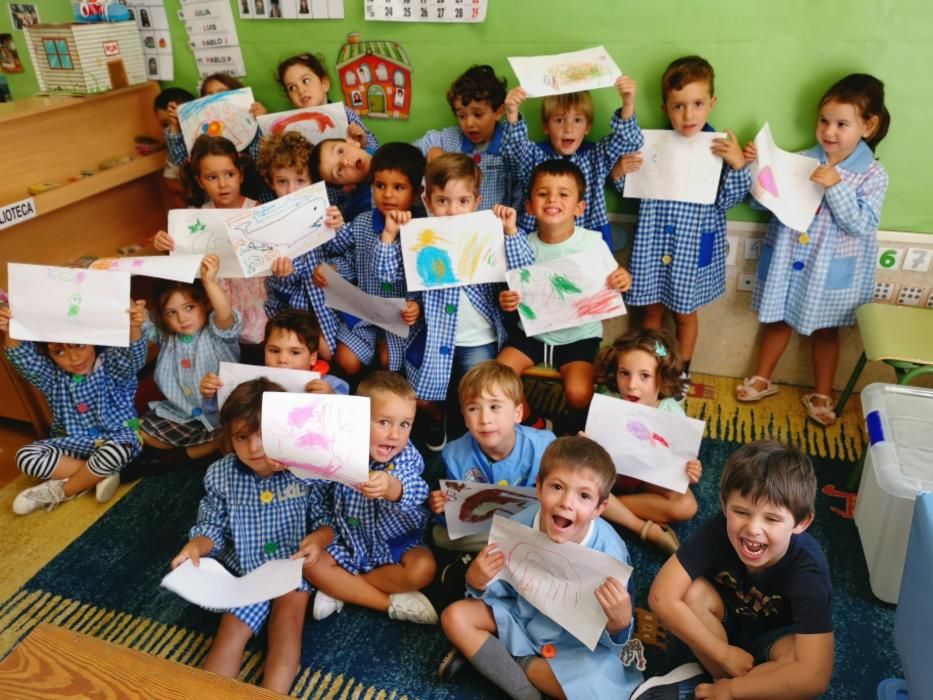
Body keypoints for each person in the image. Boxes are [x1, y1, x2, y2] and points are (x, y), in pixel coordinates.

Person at [735, 74, 890, 427]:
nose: (829, 131)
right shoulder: (801, 159)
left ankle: (822, 391)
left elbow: (861, 224)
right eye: (824, 121)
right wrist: (755, 170)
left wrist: (836, 186)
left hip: (829, 272)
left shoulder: (872, 175)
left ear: (868, 125)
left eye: (841, 124)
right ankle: (762, 376)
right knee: (777, 320)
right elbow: (766, 204)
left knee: (826, 331)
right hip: (789, 262)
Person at [439, 436, 643, 699]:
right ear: (538, 487)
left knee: (600, 689)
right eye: (557, 487)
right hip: (521, 617)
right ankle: (525, 691)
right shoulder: (518, 523)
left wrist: (620, 624)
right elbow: (498, 590)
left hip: (573, 644)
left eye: (583, 496)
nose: (567, 503)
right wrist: (476, 582)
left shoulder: (610, 554)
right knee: (455, 618)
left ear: (599, 508)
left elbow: (613, 638)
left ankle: (506, 661)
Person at [635, 440, 832, 699]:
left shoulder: (809, 569)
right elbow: (661, 596)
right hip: (724, 627)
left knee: (799, 658)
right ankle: (717, 679)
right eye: (741, 512)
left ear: (801, 522)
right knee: (689, 593)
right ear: (724, 503)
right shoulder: (717, 530)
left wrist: (732, 690)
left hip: (776, 643)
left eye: (771, 518)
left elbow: (815, 678)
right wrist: (722, 653)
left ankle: (718, 689)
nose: (753, 528)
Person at [170, 378, 326, 693]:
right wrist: (195, 547)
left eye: (264, 437)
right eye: (242, 437)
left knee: (285, 628)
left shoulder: (305, 469)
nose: (254, 448)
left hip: (291, 567)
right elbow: (211, 526)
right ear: (230, 438)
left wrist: (319, 539)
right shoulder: (222, 474)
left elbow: (327, 519)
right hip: (244, 571)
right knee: (230, 633)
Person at [374, 153, 531, 451]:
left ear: (476, 201)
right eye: (443, 201)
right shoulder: (419, 234)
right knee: (424, 396)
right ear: (428, 201)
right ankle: (436, 421)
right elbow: (387, 275)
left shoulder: (490, 231)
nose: (452, 210)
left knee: (478, 395)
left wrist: (510, 229)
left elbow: (524, 268)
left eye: (462, 201)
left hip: (479, 339)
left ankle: (470, 446)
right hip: (435, 338)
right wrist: (390, 234)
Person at [611, 56, 750, 391]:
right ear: (666, 107)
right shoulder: (652, 144)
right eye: (679, 106)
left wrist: (738, 165)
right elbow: (628, 188)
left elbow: (729, 200)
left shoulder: (718, 147)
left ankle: (682, 371)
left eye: (698, 104)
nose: (689, 115)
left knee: (686, 316)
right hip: (653, 246)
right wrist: (618, 173)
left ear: (711, 104)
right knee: (651, 314)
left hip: (690, 251)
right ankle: (651, 371)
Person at [499, 159, 632, 434]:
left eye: (563, 194)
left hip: (578, 336)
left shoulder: (592, 243)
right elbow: (510, 290)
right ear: (529, 206)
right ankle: (532, 421)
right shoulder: (520, 245)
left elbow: (616, 276)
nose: (552, 200)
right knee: (499, 376)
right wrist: (507, 300)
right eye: (543, 193)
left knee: (579, 393)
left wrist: (623, 278)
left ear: (579, 207)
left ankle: (574, 428)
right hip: (532, 334)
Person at [300, 371, 439, 625]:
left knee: (423, 569)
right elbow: (317, 496)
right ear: (357, 420)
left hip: (397, 541)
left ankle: (343, 588)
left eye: (405, 424)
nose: (395, 435)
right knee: (310, 564)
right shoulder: (337, 452)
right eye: (384, 422)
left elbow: (417, 489)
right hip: (349, 540)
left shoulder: (406, 455)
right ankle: (389, 603)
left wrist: (390, 486)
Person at [427, 361, 556, 606]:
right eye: (473, 409)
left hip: (532, 524)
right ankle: (508, 562)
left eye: (495, 407)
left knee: (554, 528)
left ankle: (481, 565)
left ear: (518, 413)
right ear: (464, 417)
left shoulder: (545, 445)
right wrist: (444, 508)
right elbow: (457, 519)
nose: (485, 419)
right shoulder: (454, 453)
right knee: (439, 534)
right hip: (488, 530)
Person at [0, 301, 148, 514]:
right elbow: (22, 358)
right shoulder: (52, 378)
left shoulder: (112, 366)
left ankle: (63, 490)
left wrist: (133, 326)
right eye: (59, 352)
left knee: (119, 449)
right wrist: (10, 329)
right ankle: (99, 474)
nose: (74, 358)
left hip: (118, 439)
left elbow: (133, 355)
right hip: (73, 445)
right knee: (25, 456)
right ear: (49, 356)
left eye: (79, 345)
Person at [312, 142, 425, 380]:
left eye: (399, 187)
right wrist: (334, 269)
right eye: (380, 185)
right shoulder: (363, 222)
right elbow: (349, 256)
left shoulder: (420, 232)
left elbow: (422, 279)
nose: (388, 194)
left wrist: (417, 306)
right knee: (346, 360)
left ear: (416, 193)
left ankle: (383, 396)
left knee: (388, 359)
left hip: (400, 318)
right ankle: (358, 393)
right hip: (363, 311)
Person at [501, 76, 642, 251]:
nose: (568, 129)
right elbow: (512, 151)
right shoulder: (534, 155)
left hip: (588, 239)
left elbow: (629, 141)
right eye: (559, 120)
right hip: (538, 240)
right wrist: (512, 112)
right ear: (546, 126)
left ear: (588, 126)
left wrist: (628, 103)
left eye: (577, 120)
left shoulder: (595, 156)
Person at [153, 135, 268, 348]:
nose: (223, 184)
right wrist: (166, 244)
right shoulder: (195, 219)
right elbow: (183, 262)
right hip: (221, 311)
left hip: (261, 304)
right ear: (200, 181)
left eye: (229, 174)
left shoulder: (260, 211)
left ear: (241, 175)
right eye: (212, 177)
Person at [593, 328, 702, 553]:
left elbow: (680, 467)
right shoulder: (607, 400)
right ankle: (640, 525)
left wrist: (691, 470)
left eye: (644, 376)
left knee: (687, 505)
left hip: (645, 484)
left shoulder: (672, 413)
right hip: (608, 479)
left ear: (662, 380)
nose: (632, 385)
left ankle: (606, 509)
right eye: (624, 373)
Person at [137, 254, 241, 468]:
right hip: (182, 415)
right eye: (171, 313)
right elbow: (144, 320)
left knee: (233, 434)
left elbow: (225, 314)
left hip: (220, 417)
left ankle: (178, 458)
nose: (182, 318)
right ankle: (190, 452)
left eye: (189, 308)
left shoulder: (216, 332)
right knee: (136, 427)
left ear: (204, 304)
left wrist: (208, 282)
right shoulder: (167, 336)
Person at [277, 52, 380, 222]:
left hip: (354, 193)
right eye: (292, 88)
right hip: (321, 203)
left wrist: (364, 140)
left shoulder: (345, 115)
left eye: (305, 81)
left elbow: (377, 151)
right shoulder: (289, 128)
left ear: (324, 84)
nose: (300, 90)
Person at [413, 64, 521, 209]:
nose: (469, 123)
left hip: (493, 227)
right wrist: (433, 149)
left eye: (478, 114)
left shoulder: (509, 144)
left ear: (498, 111)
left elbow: (520, 185)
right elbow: (416, 147)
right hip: (452, 222)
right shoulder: (452, 139)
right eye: (461, 115)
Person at [198, 308, 350, 411]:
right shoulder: (250, 385)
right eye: (274, 351)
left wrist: (332, 399)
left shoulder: (332, 385)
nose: (282, 359)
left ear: (312, 357)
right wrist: (212, 397)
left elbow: (348, 422)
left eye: (295, 353)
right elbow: (224, 422)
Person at [163, 74, 273, 202]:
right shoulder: (202, 137)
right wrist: (176, 126)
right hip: (222, 208)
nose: (215, 100)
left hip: (263, 201)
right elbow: (181, 160)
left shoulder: (251, 128)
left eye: (222, 94)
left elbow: (266, 161)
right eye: (209, 96)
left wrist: (263, 122)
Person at [153, 86, 196, 210]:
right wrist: (194, 186)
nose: (172, 127)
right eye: (166, 124)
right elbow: (170, 184)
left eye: (177, 120)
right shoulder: (173, 151)